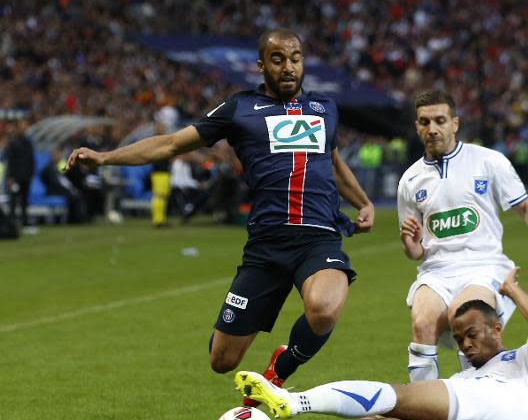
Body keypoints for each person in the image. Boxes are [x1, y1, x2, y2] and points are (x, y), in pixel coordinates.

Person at [66, 28, 374, 390]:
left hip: (318, 237)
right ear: (261, 66)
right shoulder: (239, 108)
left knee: (323, 309)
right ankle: (240, 326)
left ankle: (280, 370)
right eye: (278, 59)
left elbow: (332, 161)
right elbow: (169, 144)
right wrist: (104, 158)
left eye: (295, 58)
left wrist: (364, 202)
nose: (288, 67)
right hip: (266, 245)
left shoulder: (325, 108)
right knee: (222, 360)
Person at [235, 267, 528, 420]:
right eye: (459, 339)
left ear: (497, 328)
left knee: (396, 396)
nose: (465, 345)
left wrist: (512, 290)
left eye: (472, 334)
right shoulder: (467, 378)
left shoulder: (523, 361)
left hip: (509, 406)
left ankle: (294, 402)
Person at [397, 89, 528, 382]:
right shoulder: (410, 180)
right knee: (422, 322)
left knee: (469, 320)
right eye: (424, 122)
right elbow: (417, 250)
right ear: (417, 126)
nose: (432, 129)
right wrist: (410, 244)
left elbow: (525, 206)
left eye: (440, 120)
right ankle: (427, 417)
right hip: (436, 271)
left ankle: (478, 408)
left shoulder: (488, 161)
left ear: (455, 123)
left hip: (483, 265)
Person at [2, 117, 35, 227]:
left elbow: (31, 159)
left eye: (25, 126)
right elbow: (10, 161)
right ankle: (11, 223)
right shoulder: (13, 142)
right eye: (22, 126)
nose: (24, 128)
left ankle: (25, 221)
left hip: (26, 176)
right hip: (15, 177)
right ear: (17, 128)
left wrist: (31, 173)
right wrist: (11, 177)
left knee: (25, 200)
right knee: (13, 200)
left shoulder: (28, 142)